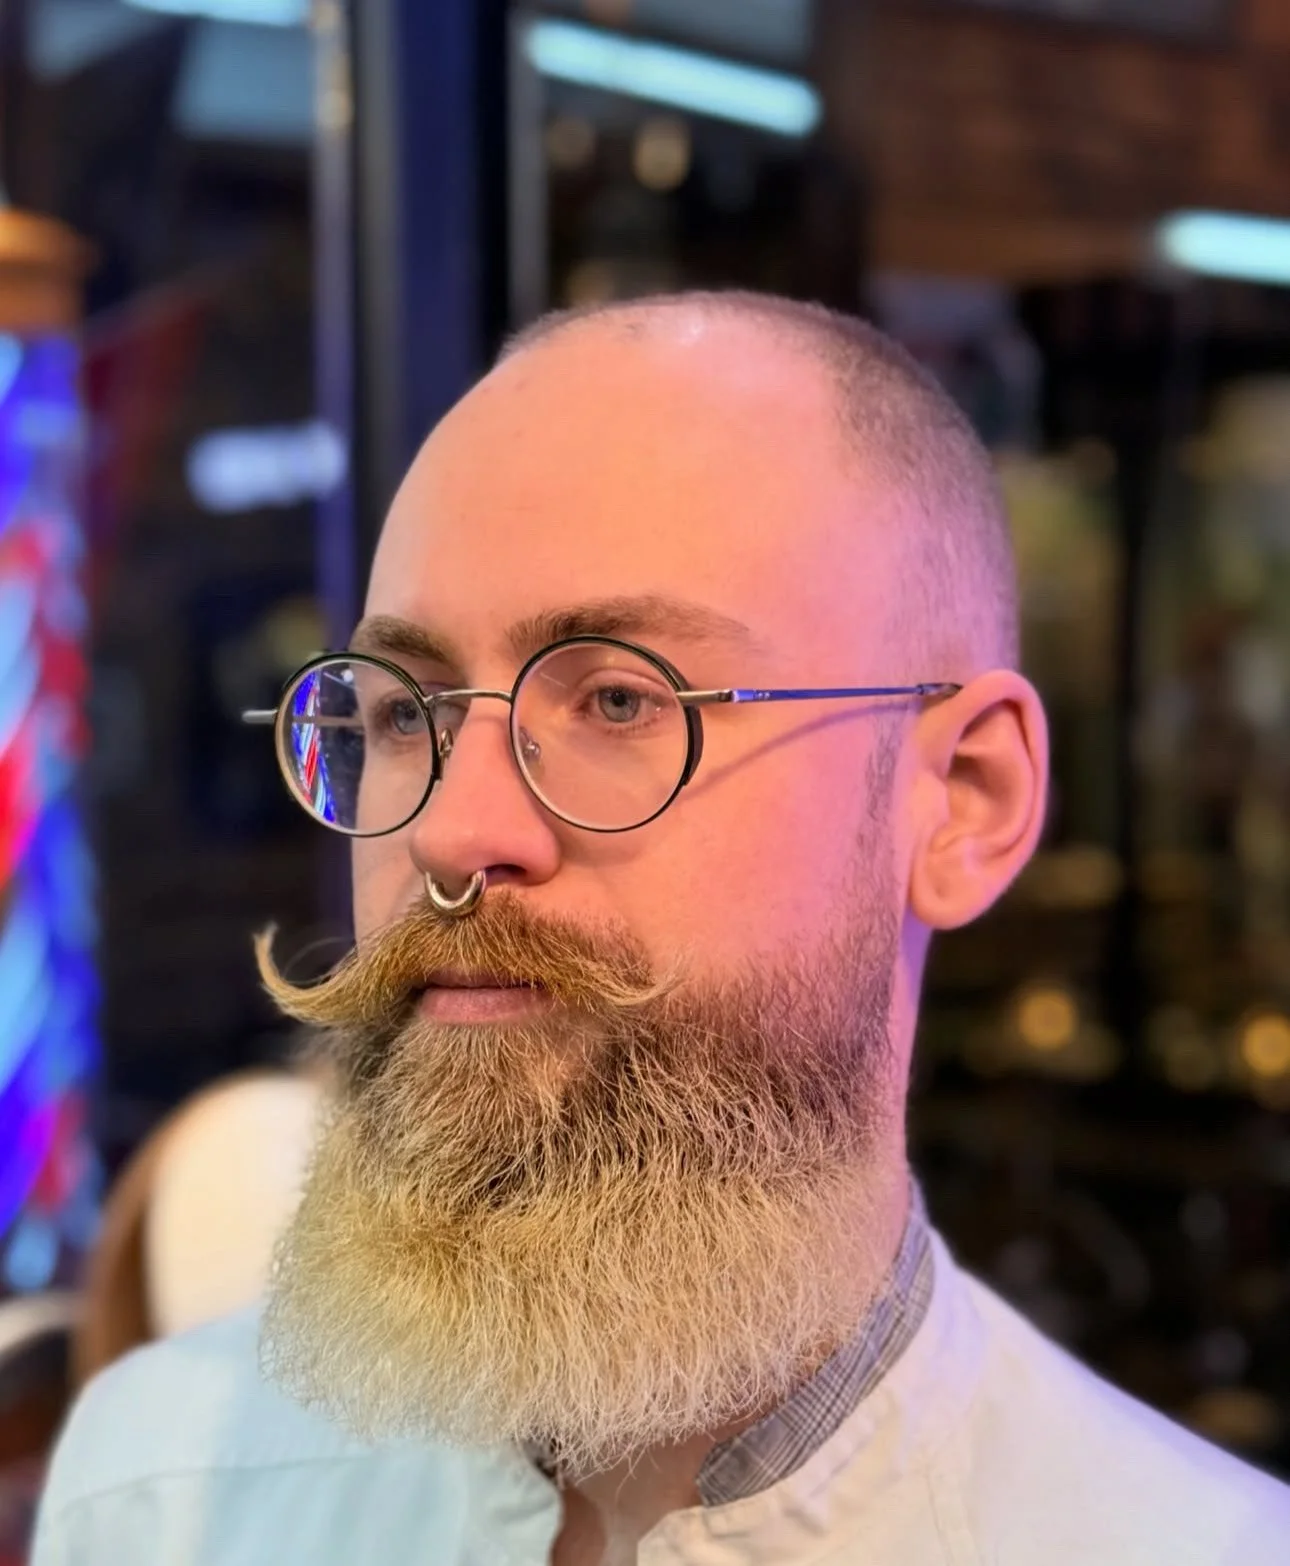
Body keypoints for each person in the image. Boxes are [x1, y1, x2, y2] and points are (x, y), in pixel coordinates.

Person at [34, 293, 1290, 1565]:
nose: (451, 833)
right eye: (402, 710)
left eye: (621, 699)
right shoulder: (159, 1490)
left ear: (965, 799)